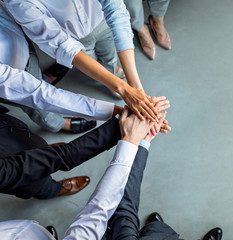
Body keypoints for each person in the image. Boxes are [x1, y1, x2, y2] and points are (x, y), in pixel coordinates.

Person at [4, 0, 160, 122]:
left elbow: (115, 10)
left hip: (102, 19)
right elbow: (64, 47)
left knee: (109, 54)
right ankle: (110, 79)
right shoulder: (18, 2)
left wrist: (135, 87)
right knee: (92, 64)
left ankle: (112, 71)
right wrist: (124, 89)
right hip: (73, 39)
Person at [0, 97, 170, 200]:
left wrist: (121, 113)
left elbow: (41, 92)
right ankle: (55, 189)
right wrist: (123, 127)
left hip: (11, 132)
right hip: (22, 176)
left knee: (37, 146)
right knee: (41, 184)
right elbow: (62, 157)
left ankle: (40, 150)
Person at [0, 2, 100, 133]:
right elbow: (36, 93)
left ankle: (45, 79)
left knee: (34, 70)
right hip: (11, 69)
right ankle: (57, 124)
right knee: (32, 100)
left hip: (15, 38)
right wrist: (109, 106)